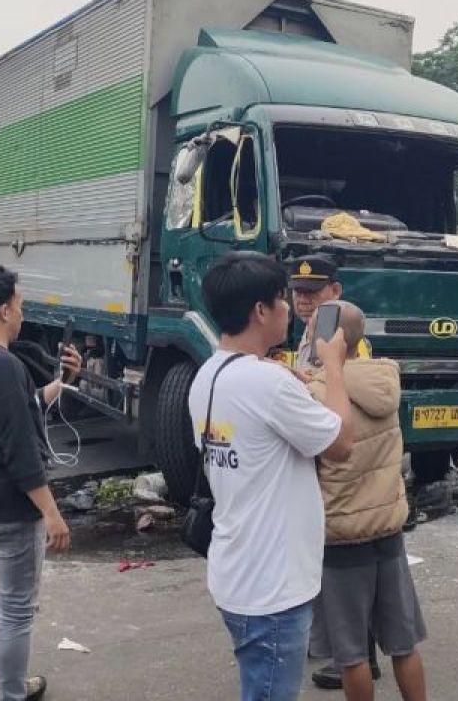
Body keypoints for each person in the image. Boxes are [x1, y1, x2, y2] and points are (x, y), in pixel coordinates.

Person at [189, 252, 354, 701]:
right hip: (273, 586)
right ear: (260, 310)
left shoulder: (210, 373)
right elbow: (339, 444)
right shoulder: (268, 384)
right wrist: (334, 366)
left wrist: (291, 380)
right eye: (283, 299)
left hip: (236, 570)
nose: (290, 308)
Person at [0, 264, 83, 701]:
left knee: (9, 601)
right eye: (21, 305)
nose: (23, 313)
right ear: (5, 311)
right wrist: (52, 513)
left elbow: (23, 408)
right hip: (8, 509)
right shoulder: (3, 366)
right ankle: (10, 693)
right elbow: (22, 455)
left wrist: (63, 382)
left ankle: (11, 682)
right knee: (18, 610)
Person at [308, 301, 427, 701]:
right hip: (388, 530)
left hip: (342, 535)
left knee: (352, 654)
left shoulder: (318, 390)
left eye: (312, 329)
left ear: (329, 340)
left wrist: (312, 374)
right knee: (402, 643)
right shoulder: (384, 376)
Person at [286, 255, 377, 688]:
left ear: (335, 292)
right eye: (299, 292)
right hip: (325, 456)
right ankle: (348, 647)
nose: (304, 300)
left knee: (352, 564)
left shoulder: (347, 335)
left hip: (349, 462)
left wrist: (302, 380)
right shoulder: (309, 334)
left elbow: (352, 389)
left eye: (314, 291)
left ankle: (361, 655)